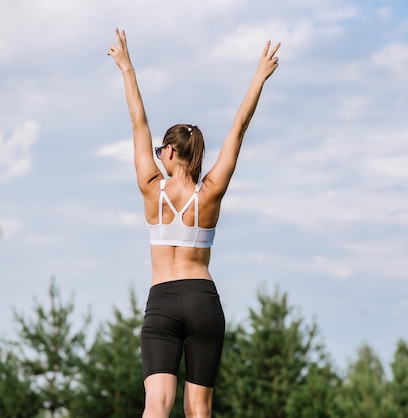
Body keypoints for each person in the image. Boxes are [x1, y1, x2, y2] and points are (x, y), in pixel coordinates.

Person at [108, 29, 280, 418]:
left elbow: (138, 123)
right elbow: (238, 129)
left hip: (163, 301)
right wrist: (258, 77)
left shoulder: (152, 188)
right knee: (199, 410)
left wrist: (127, 67)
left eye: (160, 150)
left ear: (168, 152)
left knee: (157, 404)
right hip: (203, 299)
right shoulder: (211, 193)